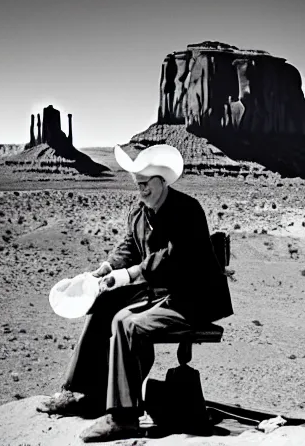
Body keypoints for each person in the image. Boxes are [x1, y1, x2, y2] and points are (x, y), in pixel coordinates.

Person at [37, 144, 233, 443]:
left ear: (161, 181)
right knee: (103, 305)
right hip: (158, 293)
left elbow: (168, 261)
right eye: (137, 185)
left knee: (127, 324)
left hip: (191, 299)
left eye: (145, 185)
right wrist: (104, 269)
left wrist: (127, 275)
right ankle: (82, 393)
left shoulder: (186, 211)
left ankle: (123, 418)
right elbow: (128, 246)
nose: (140, 191)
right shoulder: (140, 210)